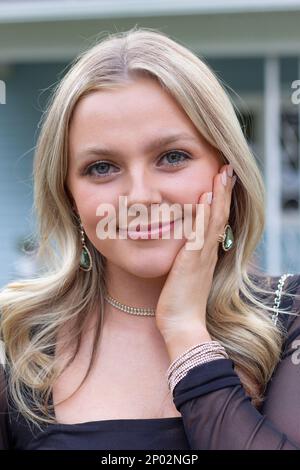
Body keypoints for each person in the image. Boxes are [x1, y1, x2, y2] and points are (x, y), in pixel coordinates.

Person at [0, 26, 300, 450]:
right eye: (102, 167)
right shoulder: (19, 343)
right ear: (69, 197)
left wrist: (184, 331)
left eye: (172, 157)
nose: (139, 197)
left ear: (226, 171)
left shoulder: (287, 318)